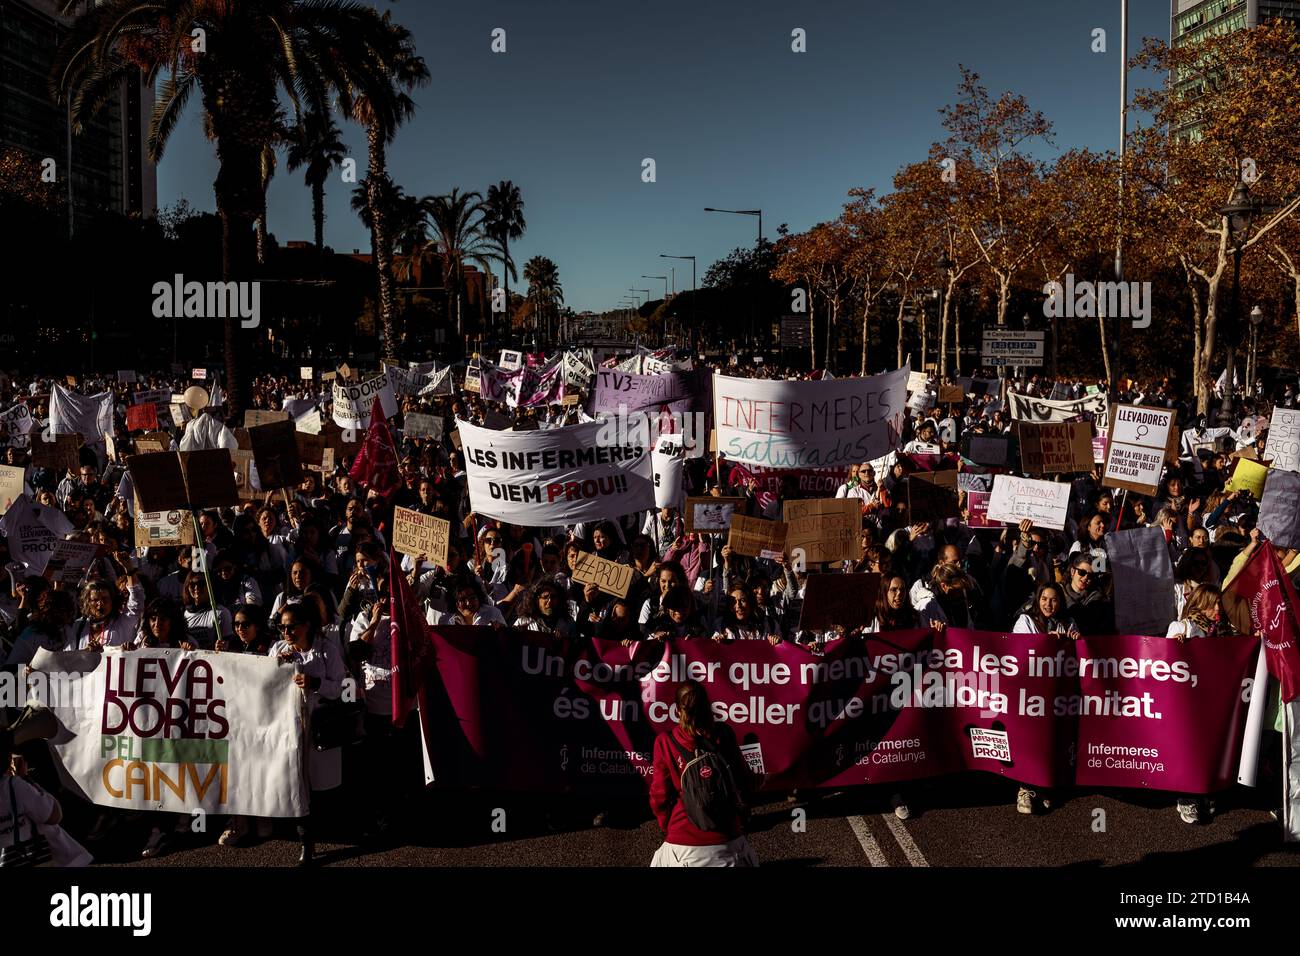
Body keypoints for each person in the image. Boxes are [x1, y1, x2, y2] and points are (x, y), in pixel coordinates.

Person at [648, 679, 757, 867]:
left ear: (677, 711)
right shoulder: (724, 734)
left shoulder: (665, 742)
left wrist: (667, 826)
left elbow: (660, 797)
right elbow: (743, 781)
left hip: (682, 842)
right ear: (708, 707)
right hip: (729, 840)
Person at [270, 602, 347, 865]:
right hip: (288, 728)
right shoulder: (279, 650)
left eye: (292, 627)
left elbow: (342, 687)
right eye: (282, 627)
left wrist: (315, 683)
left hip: (318, 729)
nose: (286, 632)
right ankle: (306, 842)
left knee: (316, 786)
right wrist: (278, 668)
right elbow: (264, 684)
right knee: (296, 785)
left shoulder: (327, 651)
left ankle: (321, 830)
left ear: (307, 626)